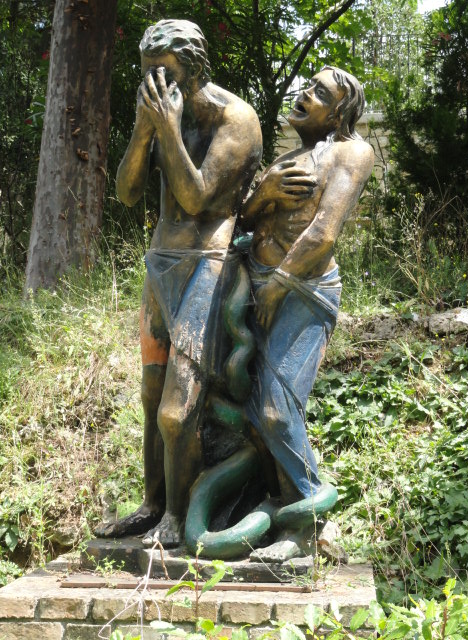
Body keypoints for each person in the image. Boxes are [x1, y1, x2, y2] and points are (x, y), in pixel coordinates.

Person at [96, 19, 262, 546]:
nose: (154, 83)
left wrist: (166, 129)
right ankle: (152, 504)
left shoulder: (236, 119)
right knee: (151, 395)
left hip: (208, 267)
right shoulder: (161, 113)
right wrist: (144, 129)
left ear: (192, 69)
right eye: (146, 71)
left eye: (163, 71)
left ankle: (180, 514)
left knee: (177, 409)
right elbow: (126, 192)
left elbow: (196, 198)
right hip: (160, 264)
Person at [240, 66, 374, 561]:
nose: (305, 94)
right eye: (307, 86)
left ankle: (310, 519)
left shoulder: (351, 152)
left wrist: (280, 284)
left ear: (338, 113)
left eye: (320, 93)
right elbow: (243, 219)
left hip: (301, 291)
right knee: (252, 414)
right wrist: (265, 191)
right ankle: (279, 512)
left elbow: (324, 232)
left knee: (276, 410)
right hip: (254, 287)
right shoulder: (287, 159)